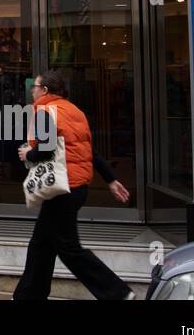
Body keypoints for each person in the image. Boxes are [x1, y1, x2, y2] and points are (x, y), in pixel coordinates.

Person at [13, 70, 134, 300]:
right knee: (41, 243)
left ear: (45, 90)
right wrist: (110, 179)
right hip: (76, 188)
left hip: (62, 189)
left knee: (68, 249)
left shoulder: (44, 110)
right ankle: (27, 296)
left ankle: (118, 294)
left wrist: (29, 153)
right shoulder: (74, 111)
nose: (32, 90)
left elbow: (46, 149)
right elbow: (91, 152)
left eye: (35, 86)